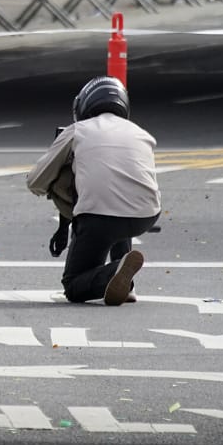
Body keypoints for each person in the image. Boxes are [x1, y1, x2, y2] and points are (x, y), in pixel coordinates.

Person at [27, 77, 160, 307]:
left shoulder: (77, 130)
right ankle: (123, 273)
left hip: (99, 218)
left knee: (74, 284)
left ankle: (113, 273)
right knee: (119, 196)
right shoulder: (141, 133)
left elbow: (36, 181)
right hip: (146, 215)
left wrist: (64, 192)